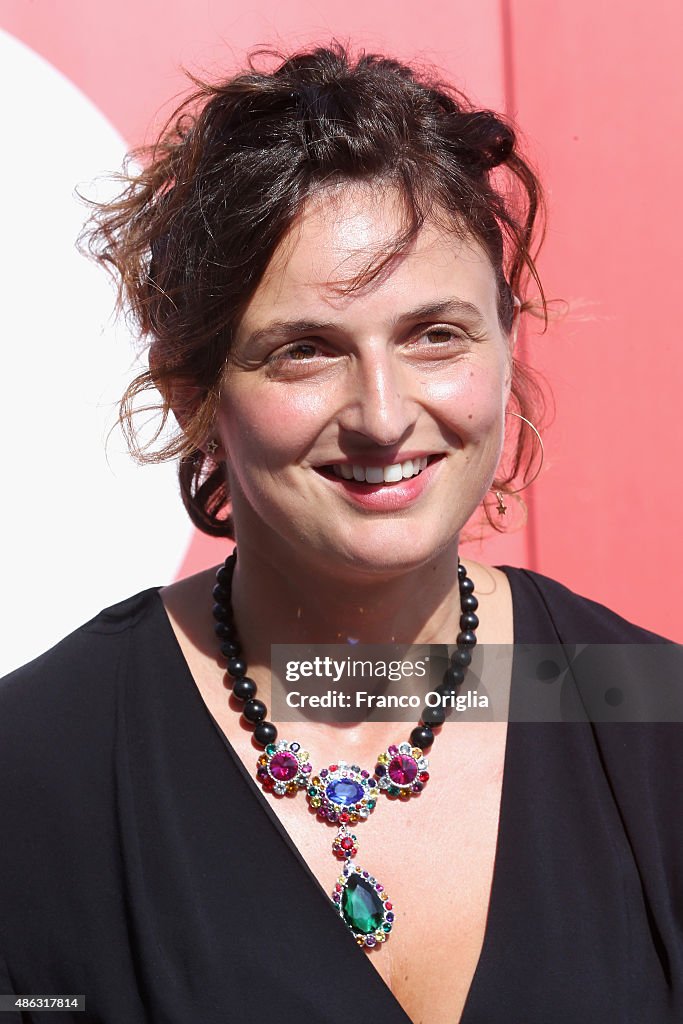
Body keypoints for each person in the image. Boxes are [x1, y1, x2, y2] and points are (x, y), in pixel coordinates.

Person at [0, 41, 681, 1024]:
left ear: (503, 341)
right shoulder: (35, 774)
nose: (379, 413)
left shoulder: (653, 730)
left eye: (433, 334)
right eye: (305, 350)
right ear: (196, 389)